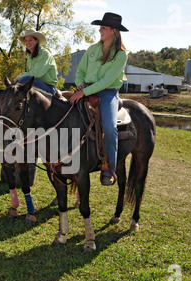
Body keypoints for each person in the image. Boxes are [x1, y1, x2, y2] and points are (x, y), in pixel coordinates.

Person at [69, 12, 128, 186]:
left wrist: (84, 92)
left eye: (103, 27)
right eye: (100, 27)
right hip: (86, 89)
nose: (100, 30)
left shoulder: (121, 55)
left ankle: (109, 168)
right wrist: (80, 86)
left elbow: (107, 81)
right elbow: (80, 72)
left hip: (107, 93)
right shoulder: (92, 49)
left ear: (113, 31)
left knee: (110, 128)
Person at [16, 29, 58, 95]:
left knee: (26, 79)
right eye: (26, 40)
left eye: (30, 40)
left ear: (37, 41)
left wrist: (18, 77)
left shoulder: (44, 54)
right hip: (36, 84)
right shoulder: (30, 56)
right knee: (24, 80)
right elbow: (29, 72)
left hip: (49, 88)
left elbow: (36, 73)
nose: (27, 43)